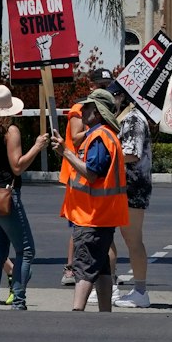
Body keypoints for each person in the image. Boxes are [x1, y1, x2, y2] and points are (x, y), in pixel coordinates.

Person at [0, 83, 51, 309]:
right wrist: (37, 147)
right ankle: (18, 299)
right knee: (26, 250)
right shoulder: (11, 131)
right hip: (4, 196)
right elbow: (17, 166)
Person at [58, 87, 127, 312]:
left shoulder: (99, 137)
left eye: (87, 107)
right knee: (102, 269)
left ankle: (78, 311)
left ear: (97, 112)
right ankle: (105, 312)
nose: (82, 110)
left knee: (84, 269)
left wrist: (66, 153)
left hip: (91, 216)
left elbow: (92, 172)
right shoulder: (104, 135)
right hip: (101, 215)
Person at [113, 84, 155, 308]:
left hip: (133, 187)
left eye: (114, 95)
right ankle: (137, 290)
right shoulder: (129, 117)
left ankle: (140, 291)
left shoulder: (132, 119)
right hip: (130, 186)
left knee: (132, 238)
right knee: (130, 238)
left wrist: (106, 154)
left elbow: (131, 153)